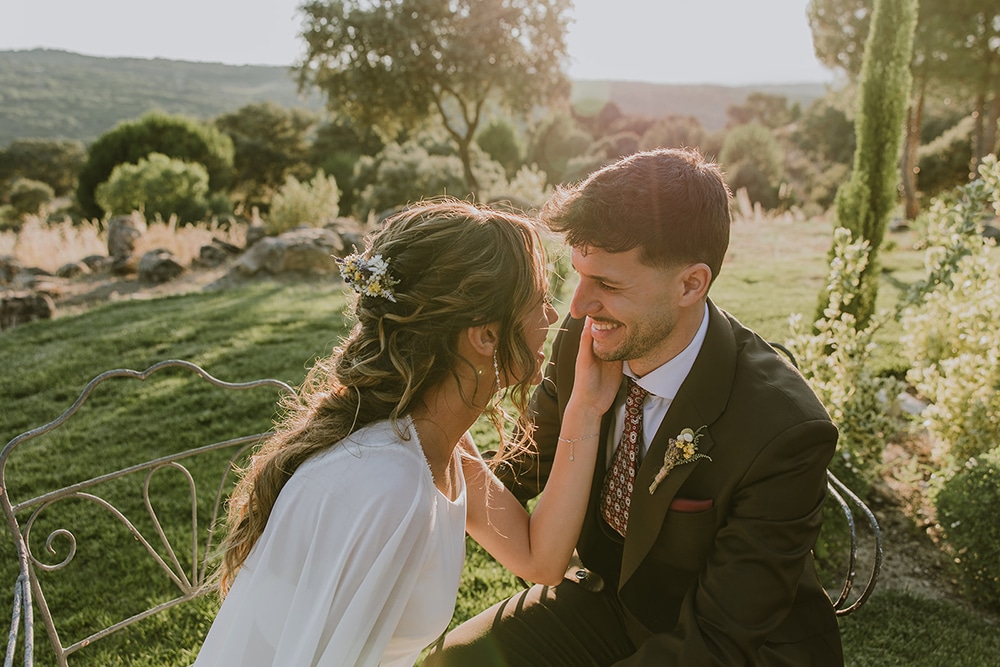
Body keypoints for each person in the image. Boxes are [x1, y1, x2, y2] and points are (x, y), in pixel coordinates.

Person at [424, 148, 844, 666]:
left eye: (608, 284)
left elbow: (717, 642)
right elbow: (526, 465)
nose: (577, 307)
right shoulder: (586, 338)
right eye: (580, 274)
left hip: (732, 648)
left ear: (691, 283)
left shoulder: (785, 429)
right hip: (604, 601)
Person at [193, 199, 622, 666]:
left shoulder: (436, 441)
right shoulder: (389, 486)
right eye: (541, 300)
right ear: (485, 335)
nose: (553, 317)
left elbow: (540, 559)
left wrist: (586, 407)